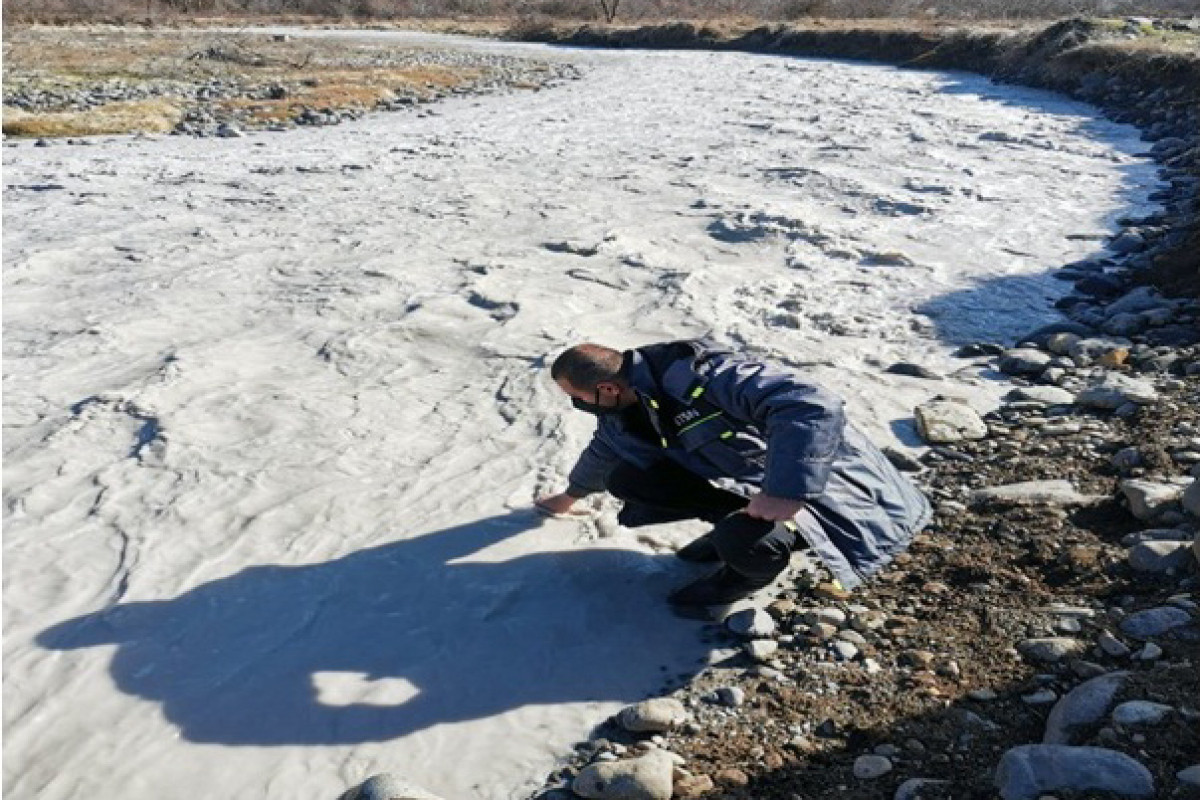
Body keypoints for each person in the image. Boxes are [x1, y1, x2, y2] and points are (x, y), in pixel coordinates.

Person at [536, 339, 931, 609]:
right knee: (626, 478)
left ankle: (745, 575)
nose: (577, 405)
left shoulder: (704, 374)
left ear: (606, 386)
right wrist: (568, 498)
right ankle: (737, 528)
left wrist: (785, 489)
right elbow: (601, 454)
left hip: (829, 490)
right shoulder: (624, 406)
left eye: (577, 397)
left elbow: (811, 405)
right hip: (744, 482)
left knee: (745, 541)